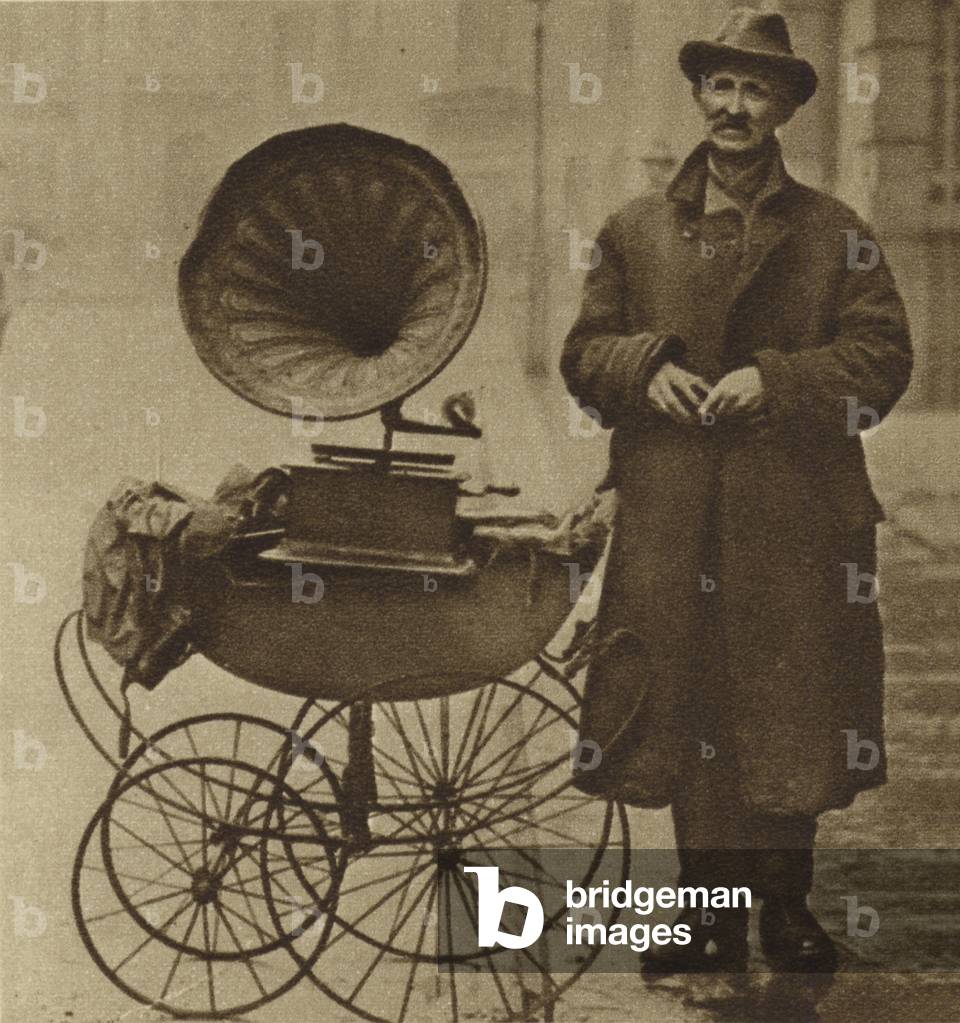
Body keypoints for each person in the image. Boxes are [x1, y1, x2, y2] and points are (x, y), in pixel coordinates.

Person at [560, 8, 912, 973]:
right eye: (722, 86)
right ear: (699, 96)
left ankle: (788, 909)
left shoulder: (836, 231)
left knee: (792, 705)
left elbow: (885, 360)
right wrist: (644, 370)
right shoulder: (634, 231)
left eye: (758, 90)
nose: (735, 106)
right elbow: (582, 354)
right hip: (674, 517)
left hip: (797, 517)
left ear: (786, 109)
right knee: (687, 708)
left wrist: (780, 380)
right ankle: (708, 914)